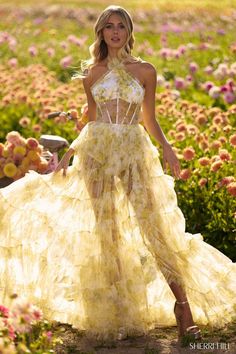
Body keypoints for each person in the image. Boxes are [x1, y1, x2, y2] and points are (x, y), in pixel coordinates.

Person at [0, 5, 235, 346]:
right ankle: (119, 313)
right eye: (108, 26)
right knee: (106, 232)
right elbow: (93, 120)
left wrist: (167, 148)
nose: (114, 32)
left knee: (156, 228)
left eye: (120, 26)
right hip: (97, 152)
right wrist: (71, 151)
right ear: (101, 32)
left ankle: (183, 309)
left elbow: (149, 119)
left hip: (134, 150)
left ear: (128, 32)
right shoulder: (92, 74)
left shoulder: (145, 71)